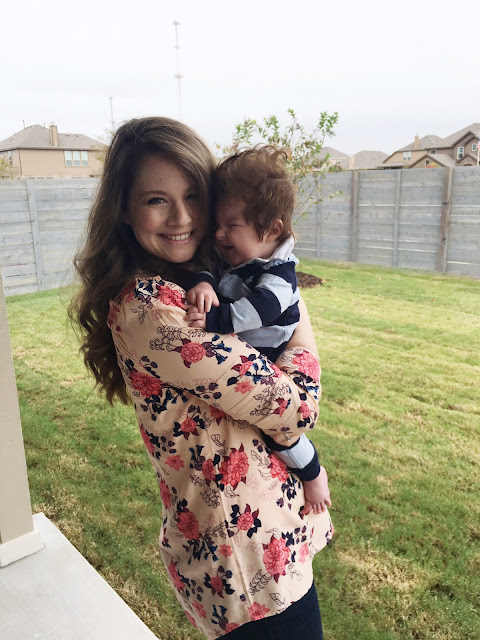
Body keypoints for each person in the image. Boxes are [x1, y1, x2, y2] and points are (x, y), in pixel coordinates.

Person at [71, 117, 333, 640]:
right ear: (124, 209)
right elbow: (295, 405)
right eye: (157, 200)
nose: (183, 217)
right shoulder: (154, 309)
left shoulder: (198, 282)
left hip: (264, 543)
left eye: (193, 195)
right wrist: (295, 316)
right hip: (248, 570)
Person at [185, 146, 331, 517]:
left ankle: (314, 474)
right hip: (248, 355)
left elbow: (258, 311)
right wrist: (204, 283)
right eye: (217, 224)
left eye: (230, 225)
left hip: (271, 359)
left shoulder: (280, 275)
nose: (219, 233)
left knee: (280, 434)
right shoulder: (241, 257)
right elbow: (211, 267)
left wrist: (216, 322)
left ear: (272, 229)